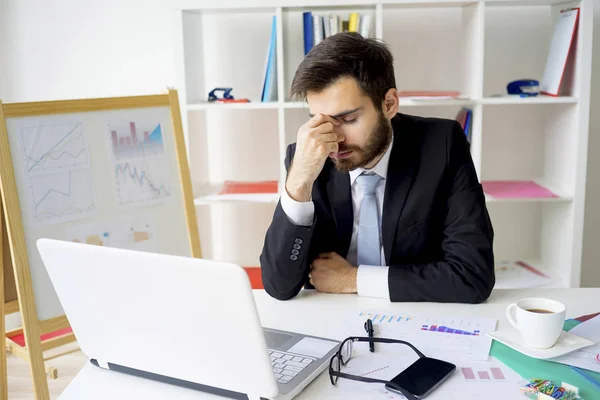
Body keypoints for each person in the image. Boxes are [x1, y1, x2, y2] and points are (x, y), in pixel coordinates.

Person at [260, 32, 495, 303]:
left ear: (389, 104)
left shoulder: (442, 145)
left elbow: (473, 276)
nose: (334, 139)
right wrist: (298, 182)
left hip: (415, 314)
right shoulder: (308, 156)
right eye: (320, 121)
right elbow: (279, 286)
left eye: (347, 119)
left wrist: (353, 279)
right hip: (332, 315)